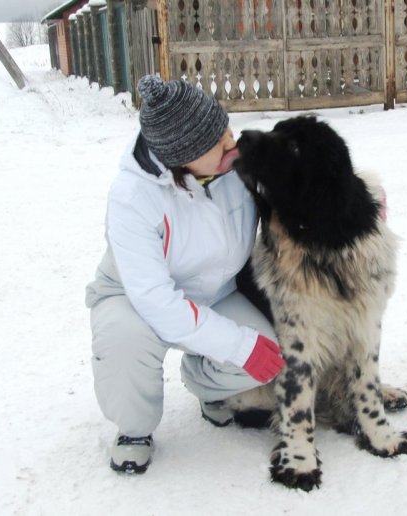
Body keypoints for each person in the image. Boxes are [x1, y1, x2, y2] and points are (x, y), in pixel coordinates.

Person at [85, 75, 285, 474]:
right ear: (183, 156)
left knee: (271, 353)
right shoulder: (131, 196)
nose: (233, 143)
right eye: (219, 142)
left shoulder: (233, 165)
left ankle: (204, 384)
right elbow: (156, 301)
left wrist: (357, 205)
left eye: (226, 129)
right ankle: (134, 429)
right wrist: (236, 344)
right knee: (125, 341)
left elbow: (301, 184)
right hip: (134, 301)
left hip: (215, 292)